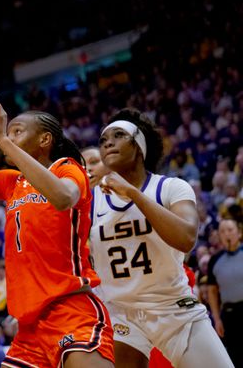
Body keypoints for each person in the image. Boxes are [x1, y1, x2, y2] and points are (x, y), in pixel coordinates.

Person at [0, 102, 114, 367]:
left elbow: (62, 197)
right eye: (8, 133)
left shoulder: (67, 169)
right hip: (29, 329)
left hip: (70, 310)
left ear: (44, 139)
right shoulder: (11, 182)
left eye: (17, 132)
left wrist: (3, 140)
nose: (7, 137)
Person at [91, 108, 233, 367]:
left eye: (118, 135)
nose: (108, 142)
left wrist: (133, 194)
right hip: (121, 314)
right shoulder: (90, 201)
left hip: (174, 308)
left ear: (139, 146)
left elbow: (186, 238)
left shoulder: (170, 187)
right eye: (103, 140)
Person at [206, 218, 243, 366]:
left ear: (239, 233)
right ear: (219, 236)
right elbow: (212, 291)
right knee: (236, 357)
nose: (226, 234)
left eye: (230, 230)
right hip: (230, 315)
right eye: (222, 231)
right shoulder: (215, 260)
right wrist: (216, 319)